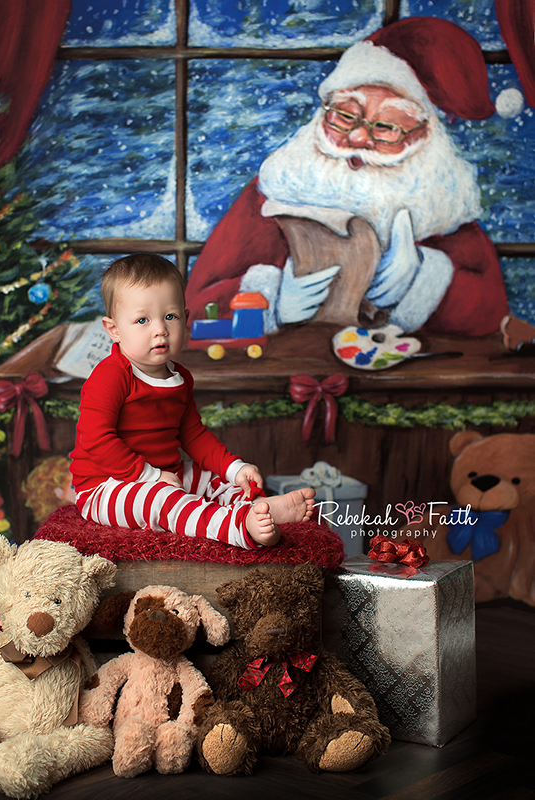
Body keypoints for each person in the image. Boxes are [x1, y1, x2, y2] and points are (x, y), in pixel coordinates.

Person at [185, 17, 510, 338]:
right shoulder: (276, 189)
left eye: (386, 126)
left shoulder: (440, 210)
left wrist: (423, 280)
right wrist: (270, 301)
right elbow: (194, 316)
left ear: (424, 139)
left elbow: (491, 317)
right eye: (344, 115)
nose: (356, 138)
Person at [69, 254, 315, 549]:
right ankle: (237, 527)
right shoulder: (111, 376)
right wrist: (149, 476)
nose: (159, 329)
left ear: (185, 318)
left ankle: (258, 506)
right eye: (142, 320)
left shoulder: (180, 377)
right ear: (114, 329)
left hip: (164, 471)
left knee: (208, 481)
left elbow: (193, 435)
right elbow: (96, 439)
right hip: (106, 487)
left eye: (170, 316)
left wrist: (235, 469)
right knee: (163, 501)